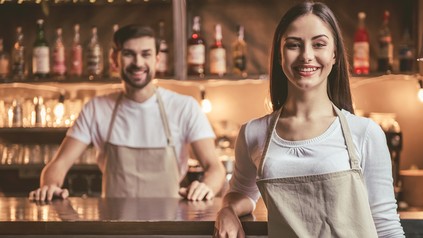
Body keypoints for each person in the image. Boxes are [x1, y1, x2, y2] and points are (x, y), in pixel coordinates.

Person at [214, 2, 405, 237]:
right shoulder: (254, 133)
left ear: (334, 54)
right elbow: (242, 193)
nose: (306, 56)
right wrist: (227, 210)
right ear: (279, 55)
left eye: (319, 44)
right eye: (294, 45)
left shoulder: (365, 133)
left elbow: (386, 225)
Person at [29, 24, 226, 201]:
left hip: (170, 224)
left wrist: (205, 187)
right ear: (115, 59)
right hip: (114, 226)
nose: (138, 62)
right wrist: (50, 187)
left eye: (146, 54)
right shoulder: (96, 109)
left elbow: (215, 168)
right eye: (129, 53)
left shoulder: (184, 107)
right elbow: (58, 165)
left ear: (157, 60)